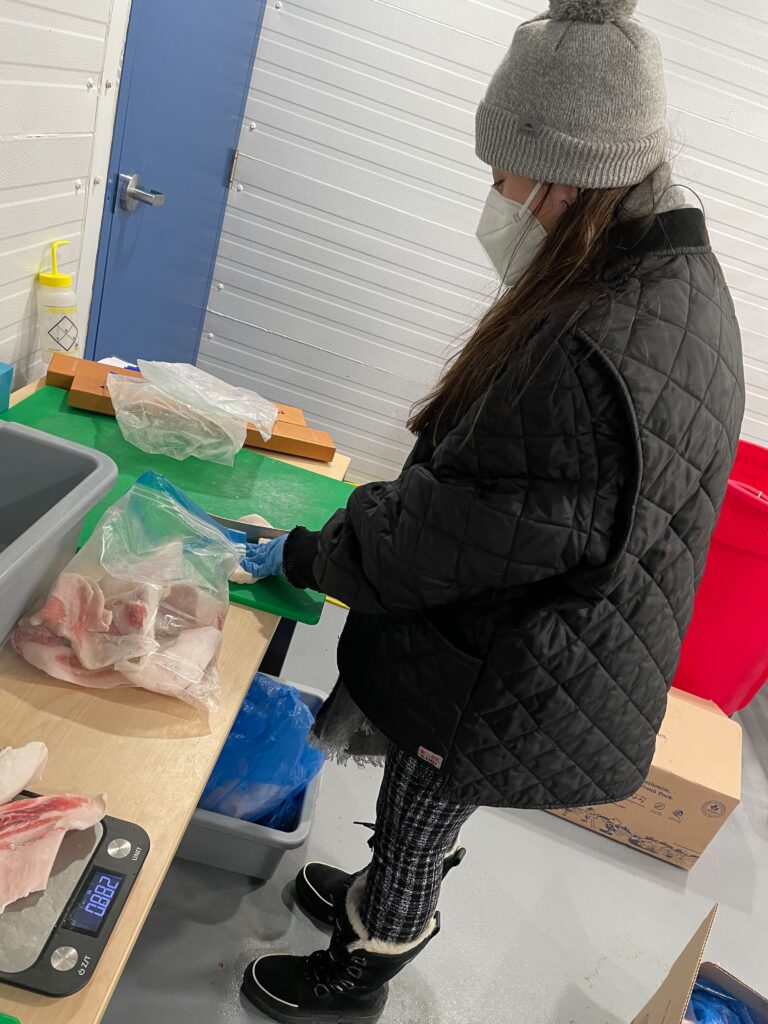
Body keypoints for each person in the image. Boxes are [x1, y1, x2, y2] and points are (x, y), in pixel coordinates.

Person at [240, 1, 744, 1020]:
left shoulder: (589, 342)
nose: (497, 196)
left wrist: (308, 553)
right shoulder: (675, 278)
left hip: (513, 673)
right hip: (556, 644)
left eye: (505, 174)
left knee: (420, 813)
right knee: (417, 807)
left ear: (567, 175)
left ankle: (370, 955)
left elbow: (450, 532)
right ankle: (379, 895)